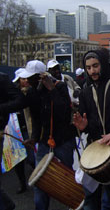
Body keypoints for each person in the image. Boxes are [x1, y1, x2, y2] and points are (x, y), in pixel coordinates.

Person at [73, 49, 110, 210]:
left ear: (104, 65)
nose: (92, 71)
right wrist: (83, 127)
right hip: (94, 147)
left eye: (95, 66)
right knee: (90, 196)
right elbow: (87, 121)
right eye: (88, 67)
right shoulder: (85, 91)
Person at [21, 60, 76, 210]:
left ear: (41, 77)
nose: (28, 81)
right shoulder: (33, 92)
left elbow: (64, 112)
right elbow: (37, 119)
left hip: (64, 140)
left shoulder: (60, 86)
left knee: (67, 179)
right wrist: (34, 138)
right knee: (40, 182)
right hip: (46, 142)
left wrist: (52, 89)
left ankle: (74, 205)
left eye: (31, 78)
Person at [0, 72, 26, 210]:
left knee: (21, 158)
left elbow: (20, 100)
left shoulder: (2, 79)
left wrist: (1, 109)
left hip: (5, 129)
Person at [12, 68, 35, 194]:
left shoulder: (30, 92)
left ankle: (38, 178)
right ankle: (22, 183)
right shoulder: (12, 95)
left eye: (27, 78)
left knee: (32, 158)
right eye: (23, 78)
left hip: (28, 130)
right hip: (15, 130)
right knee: (17, 161)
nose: (26, 81)